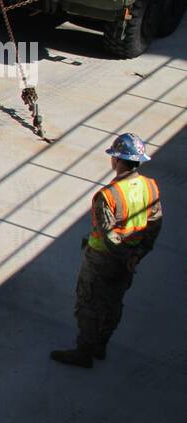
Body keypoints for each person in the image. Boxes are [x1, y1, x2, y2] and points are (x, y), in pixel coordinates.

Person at [51, 133, 163, 368]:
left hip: (102, 260)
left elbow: (110, 237)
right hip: (128, 261)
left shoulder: (107, 195)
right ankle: (101, 345)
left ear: (117, 161)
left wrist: (124, 256)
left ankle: (84, 352)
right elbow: (154, 224)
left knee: (89, 305)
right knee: (113, 304)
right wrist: (136, 256)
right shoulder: (150, 187)